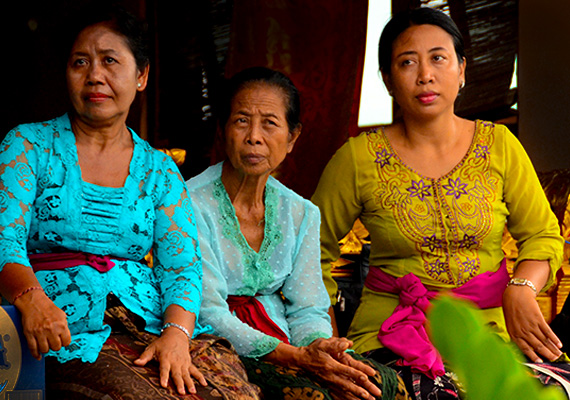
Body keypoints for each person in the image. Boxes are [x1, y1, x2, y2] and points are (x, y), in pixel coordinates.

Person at [0, 3, 259, 399]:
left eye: (109, 61)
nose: (94, 76)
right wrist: (30, 298)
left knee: (225, 391)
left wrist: (175, 334)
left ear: (141, 76)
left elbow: (182, 269)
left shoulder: (160, 170)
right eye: (80, 62)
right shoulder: (28, 145)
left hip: (146, 323)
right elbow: (4, 239)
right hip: (60, 328)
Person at [311, 7, 565, 399]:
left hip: (488, 337)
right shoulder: (357, 158)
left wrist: (521, 287)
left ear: (462, 70)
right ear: (387, 80)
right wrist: (326, 340)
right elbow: (310, 253)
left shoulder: (499, 145)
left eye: (438, 58)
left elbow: (543, 236)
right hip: (388, 339)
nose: (425, 74)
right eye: (407, 62)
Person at [187, 66, 411, 400]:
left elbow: (307, 308)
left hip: (291, 342)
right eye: (241, 121)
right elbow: (207, 311)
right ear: (221, 130)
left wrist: (320, 347)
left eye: (270, 123)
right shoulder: (188, 202)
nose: (254, 137)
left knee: (384, 386)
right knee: (313, 397)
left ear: (292, 138)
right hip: (221, 344)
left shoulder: (301, 212)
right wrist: (297, 358)